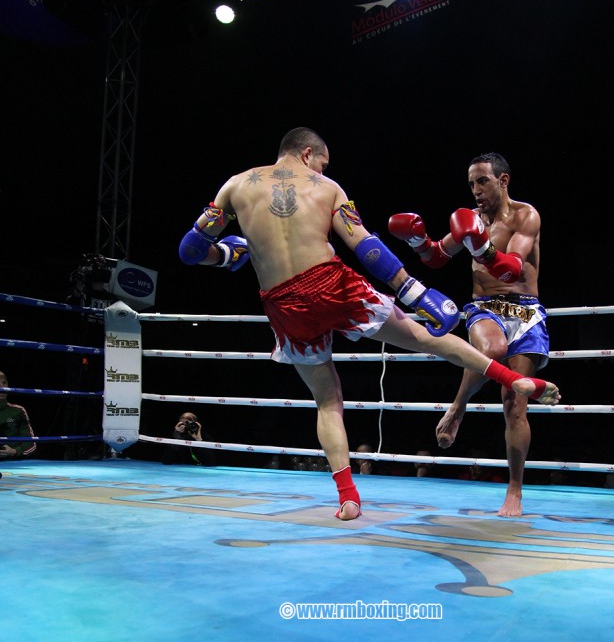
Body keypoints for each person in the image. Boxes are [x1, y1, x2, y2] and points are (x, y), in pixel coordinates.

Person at [178, 128, 560, 520]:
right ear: (309, 155)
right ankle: (513, 380)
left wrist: (224, 255)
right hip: (329, 283)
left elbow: (189, 250)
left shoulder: (236, 185)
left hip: (282, 303)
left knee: (327, 401)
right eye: (323, 162)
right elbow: (364, 245)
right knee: (425, 338)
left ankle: (347, 497)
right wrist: (414, 291)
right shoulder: (325, 187)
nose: (324, 169)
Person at [388, 152, 549, 517]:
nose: (475, 190)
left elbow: (511, 268)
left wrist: (481, 247)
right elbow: (437, 257)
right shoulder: (470, 220)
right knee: (492, 349)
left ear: (503, 181)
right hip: (484, 308)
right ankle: (459, 405)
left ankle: (514, 489)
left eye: (483, 181)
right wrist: (417, 241)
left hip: (525, 309)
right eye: (471, 183)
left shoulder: (526, 215)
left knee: (515, 404)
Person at [0, 371, 37, 461]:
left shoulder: (18, 411)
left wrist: (15, 451)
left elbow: (31, 443)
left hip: (13, 463)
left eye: (4, 383)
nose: (1, 387)